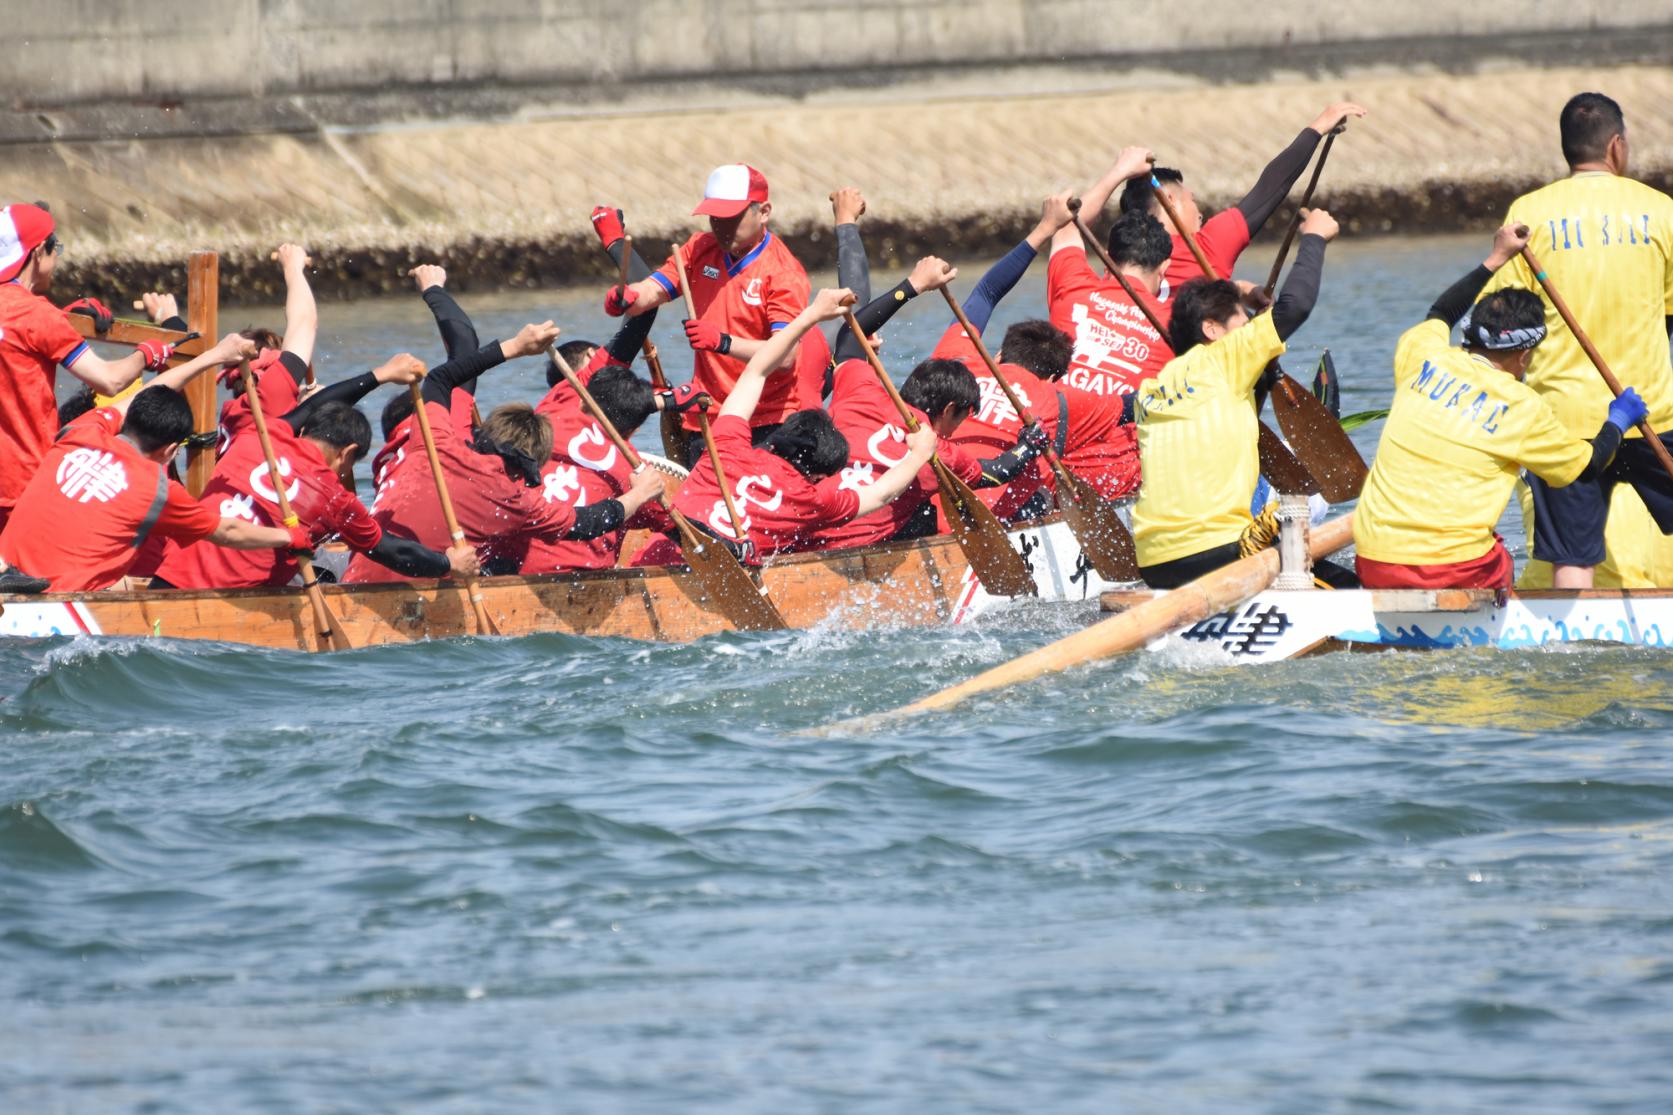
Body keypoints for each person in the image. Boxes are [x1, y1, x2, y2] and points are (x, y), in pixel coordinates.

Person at [1355, 224, 1646, 589]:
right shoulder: (1523, 407)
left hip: (1372, 560)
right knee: (1500, 556)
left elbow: (1441, 310)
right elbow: (1586, 467)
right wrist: (1618, 421)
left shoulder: (1424, 355)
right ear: (1524, 356)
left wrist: (1496, 258)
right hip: (1448, 573)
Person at [1479, 91, 1673, 588]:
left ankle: (1570, 644)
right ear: (1617, 148)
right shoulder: (1661, 211)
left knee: (1571, 559)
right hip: (1651, 415)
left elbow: (1498, 325)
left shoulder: (1528, 212)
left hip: (1562, 425)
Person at [150, 335, 528, 589]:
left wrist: (381, 375)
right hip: (227, 604)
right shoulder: (333, 499)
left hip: (163, 582)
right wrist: (449, 565)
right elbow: (392, 551)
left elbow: (316, 403)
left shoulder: (260, 437)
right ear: (348, 455)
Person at [633, 288, 937, 563]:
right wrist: (919, 454)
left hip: (652, 562)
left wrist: (811, 314)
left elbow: (756, 371)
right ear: (817, 475)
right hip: (714, 572)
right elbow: (881, 495)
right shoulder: (810, 501)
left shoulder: (728, 445)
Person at [344, 324, 664, 583]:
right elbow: (585, 524)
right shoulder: (515, 500)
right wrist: (640, 495)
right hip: (424, 586)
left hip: (355, 576)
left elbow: (440, 378)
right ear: (529, 464)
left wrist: (515, 347)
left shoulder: (438, 441)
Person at [1132, 208, 1340, 587]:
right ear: (1211, 329)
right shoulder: (1223, 359)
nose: (1250, 331)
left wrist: (1242, 298)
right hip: (1218, 552)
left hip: (1155, 564)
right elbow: (1296, 306)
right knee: (1347, 585)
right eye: (1243, 324)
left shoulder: (1152, 387)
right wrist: (1313, 238)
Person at [0, 333, 300, 592]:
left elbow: (145, 395)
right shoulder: (157, 489)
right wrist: (287, 536)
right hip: (53, 606)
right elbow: (228, 532)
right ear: (171, 450)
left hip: (9, 574)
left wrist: (216, 355)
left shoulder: (82, 431)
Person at [809, 255, 1048, 550]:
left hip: (807, 530)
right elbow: (994, 472)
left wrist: (912, 286)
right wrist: (1030, 444)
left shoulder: (863, 389)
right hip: (853, 548)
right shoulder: (935, 450)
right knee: (927, 509)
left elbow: (850, 334)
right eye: (960, 419)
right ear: (948, 410)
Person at [599, 166, 813, 452]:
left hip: (766, 421)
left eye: (732, 218)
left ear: (763, 212)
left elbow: (785, 354)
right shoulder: (699, 247)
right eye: (715, 218)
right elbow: (653, 290)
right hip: (706, 417)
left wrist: (722, 342)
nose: (721, 228)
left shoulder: (783, 272)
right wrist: (627, 297)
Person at [0, 203, 170, 530]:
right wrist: (147, 353)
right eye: (56, 249)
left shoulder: (40, 317)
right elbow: (109, 381)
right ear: (38, 252)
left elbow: (15, 341)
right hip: (24, 484)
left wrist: (65, 318)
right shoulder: (38, 316)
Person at [1119, 102, 1366, 289]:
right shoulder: (1206, 246)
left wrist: (1235, 291)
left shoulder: (1119, 261)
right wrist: (1318, 128)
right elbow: (1271, 187)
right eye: (1192, 201)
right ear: (1169, 200)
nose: (1201, 213)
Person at [1050, 146, 1175, 397]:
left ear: (1107, 260)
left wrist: (1121, 170)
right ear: (1164, 269)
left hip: (1056, 430)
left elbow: (1066, 226)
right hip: (1127, 431)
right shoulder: (1175, 323)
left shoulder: (1074, 287)